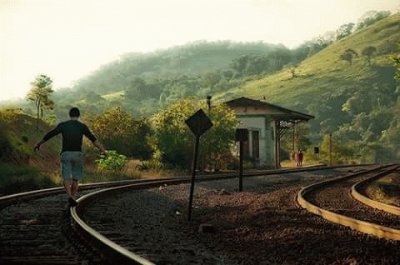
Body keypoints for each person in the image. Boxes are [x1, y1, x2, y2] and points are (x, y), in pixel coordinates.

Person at [34, 107, 105, 206]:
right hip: (77, 154)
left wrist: (39, 143)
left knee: (66, 177)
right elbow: (93, 139)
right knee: (75, 179)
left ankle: (70, 197)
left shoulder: (63, 125)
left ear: (70, 115)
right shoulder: (82, 126)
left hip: (66, 154)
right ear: (78, 115)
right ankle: (74, 197)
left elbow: (51, 134)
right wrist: (102, 150)